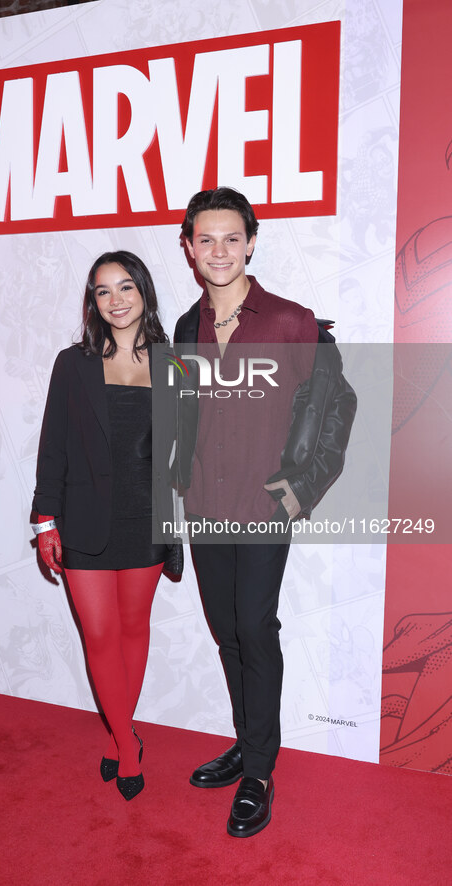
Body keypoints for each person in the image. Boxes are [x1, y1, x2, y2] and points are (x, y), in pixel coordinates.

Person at [174, 187, 356, 837]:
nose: (218, 250)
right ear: (188, 247)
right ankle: (245, 742)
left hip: (260, 505)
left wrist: (301, 489)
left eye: (231, 238)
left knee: (255, 627)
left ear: (250, 242)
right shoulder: (185, 327)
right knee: (227, 631)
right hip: (204, 506)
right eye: (205, 238)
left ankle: (258, 770)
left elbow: (337, 409)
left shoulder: (290, 321)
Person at [32, 250, 173, 801]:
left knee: (133, 631)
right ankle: (129, 742)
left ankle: (118, 737)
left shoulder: (173, 362)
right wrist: (46, 521)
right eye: (102, 291)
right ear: (92, 302)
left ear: (144, 293)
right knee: (100, 634)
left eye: (125, 288)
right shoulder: (73, 363)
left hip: (146, 520)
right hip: (84, 519)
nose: (115, 300)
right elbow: (53, 447)